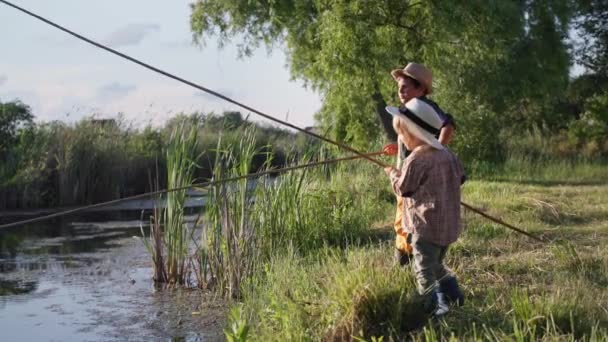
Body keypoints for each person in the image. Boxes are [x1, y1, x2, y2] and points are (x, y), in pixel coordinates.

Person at [384, 97, 465, 316]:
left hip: (425, 228)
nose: (401, 139)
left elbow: (402, 189)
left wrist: (393, 174)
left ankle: (428, 308)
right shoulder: (448, 155)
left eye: (402, 134)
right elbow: (461, 177)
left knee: (423, 270)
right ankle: (455, 296)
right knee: (436, 264)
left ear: (412, 133)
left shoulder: (416, 160)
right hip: (448, 226)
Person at [383, 62, 455, 266]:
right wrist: (397, 147)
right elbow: (411, 138)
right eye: (399, 86)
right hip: (406, 171)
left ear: (421, 89)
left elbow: (448, 125)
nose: (400, 90)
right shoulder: (405, 111)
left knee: (416, 218)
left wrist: (435, 149)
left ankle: (415, 259)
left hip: (418, 176)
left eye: (406, 86)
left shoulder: (428, 109)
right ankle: (406, 259)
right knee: (402, 217)